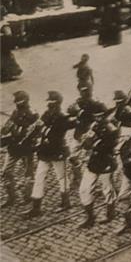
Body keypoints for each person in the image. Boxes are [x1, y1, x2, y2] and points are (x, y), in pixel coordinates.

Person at [24, 91, 74, 219]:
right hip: (45, 151)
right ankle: (36, 207)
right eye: (49, 103)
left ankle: (66, 202)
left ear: (57, 104)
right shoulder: (46, 114)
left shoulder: (62, 118)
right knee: (39, 177)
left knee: (61, 177)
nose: (49, 105)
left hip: (57, 151)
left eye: (52, 103)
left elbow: (58, 135)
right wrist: (33, 134)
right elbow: (39, 127)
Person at [77, 105, 119, 228]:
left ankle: (111, 213)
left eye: (100, 116)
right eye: (96, 116)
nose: (97, 119)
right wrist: (86, 142)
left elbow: (107, 147)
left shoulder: (111, 130)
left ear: (105, 116)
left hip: (106, 162)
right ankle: (90, 217)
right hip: (94, 162)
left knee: (107, 189)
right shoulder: (94, 126)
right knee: (84, 189)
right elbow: (86, 144)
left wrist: (92, 143)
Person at [1, 91, 38, 209]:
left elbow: (35, 132)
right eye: (16, 102)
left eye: (19, 101)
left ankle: (28, 197)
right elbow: (6, 129)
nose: (17, 104)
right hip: (14, 148)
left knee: (28, 174)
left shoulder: (33, 115)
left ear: (25, 101)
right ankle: (11, 198)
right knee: (6, 172)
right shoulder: (15, 113)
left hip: (27, 148)